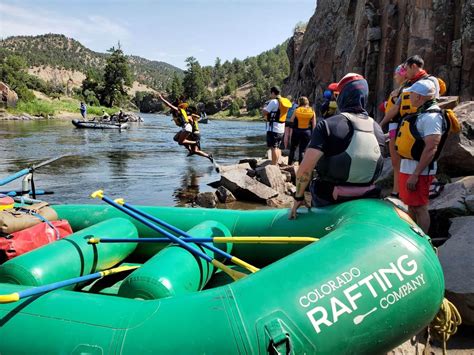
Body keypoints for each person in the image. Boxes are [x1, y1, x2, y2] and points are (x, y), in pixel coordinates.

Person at [289, 73, 385, 219]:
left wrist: (298, 197)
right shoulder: (378, 129)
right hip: (368, 198)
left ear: (343, 96)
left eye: (337, 94)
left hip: (329, 199)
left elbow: (306, 168)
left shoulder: (327, 125)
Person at [395, 80, 444, 233]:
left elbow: (431, 147)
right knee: (411, 205)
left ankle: (423, 240)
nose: (409, 98)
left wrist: (416, 174)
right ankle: (412, 234)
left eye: (412, 94)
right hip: (409, 168)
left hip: (419, 171)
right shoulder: (423, 113)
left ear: (419, 97)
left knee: (420, 207)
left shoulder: (432, 117)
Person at [379, 64, 408, 197]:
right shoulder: (402, 90)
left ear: (403, 74)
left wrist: (381, 124)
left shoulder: (404, 90)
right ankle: (397, 189)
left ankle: (398, 191)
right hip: (396, 128)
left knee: (397, 162)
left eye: (397, 74)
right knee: (397, 162)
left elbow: (395, 110)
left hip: (396, 127)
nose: (395, 76)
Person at [262, 86, 291, 165]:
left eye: (270, 93)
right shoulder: (285, 101)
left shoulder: (274, 101)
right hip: (281, 128)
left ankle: (273, 165)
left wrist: (264, 108)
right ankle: (276, 163)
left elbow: (265, 113)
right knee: (277, 147)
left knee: (273, 147)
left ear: (273, 93)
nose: (270, 95)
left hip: (273, 128)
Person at [288, 96, 316, 165]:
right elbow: (314, 124)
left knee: (292, 148)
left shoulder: (297, 110)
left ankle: (289, 164)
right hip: (307, 132)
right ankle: (301, 166)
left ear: (300, 102)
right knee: (302, 150)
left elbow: (291, 120)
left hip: (297, 131)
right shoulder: (312, 110)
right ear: (307, 102)